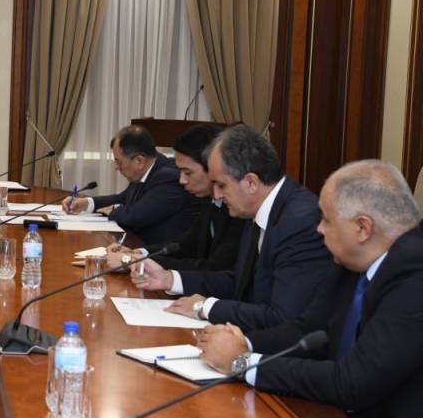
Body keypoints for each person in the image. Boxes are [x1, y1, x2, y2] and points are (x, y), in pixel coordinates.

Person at [197, 160, 423, 418]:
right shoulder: (354, 259)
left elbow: (353, 382)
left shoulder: (415, 276)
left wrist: (243, 363)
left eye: (326, 220)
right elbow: (309, 331)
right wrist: (242, 342)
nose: (319, 229)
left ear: (362, 228)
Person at [133, 124, 331, 332]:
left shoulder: (299, 222)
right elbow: (238, 281)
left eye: (221, 185)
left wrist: (206, 308)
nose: (217, 195)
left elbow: (284, 318)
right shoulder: (256, 207)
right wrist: (169, 279)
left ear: (251, 183)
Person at [106, 124, 247, 271]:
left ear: (211, 167)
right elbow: (185, 246)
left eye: (188, 172)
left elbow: (215, 268)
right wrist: (139, 254)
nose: (182, 180)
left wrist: (137, 262)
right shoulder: (210, 200)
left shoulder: (239, 209)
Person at [62, 125, 200, 246]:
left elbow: (136, 216)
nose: (116, 167)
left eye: (119, 162)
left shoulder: (169, 177)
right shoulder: (147, 171)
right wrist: (87, 203)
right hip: (139, 247)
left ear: (139, 161)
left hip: (163, 257)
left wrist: (113, 210)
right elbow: (123, 198)